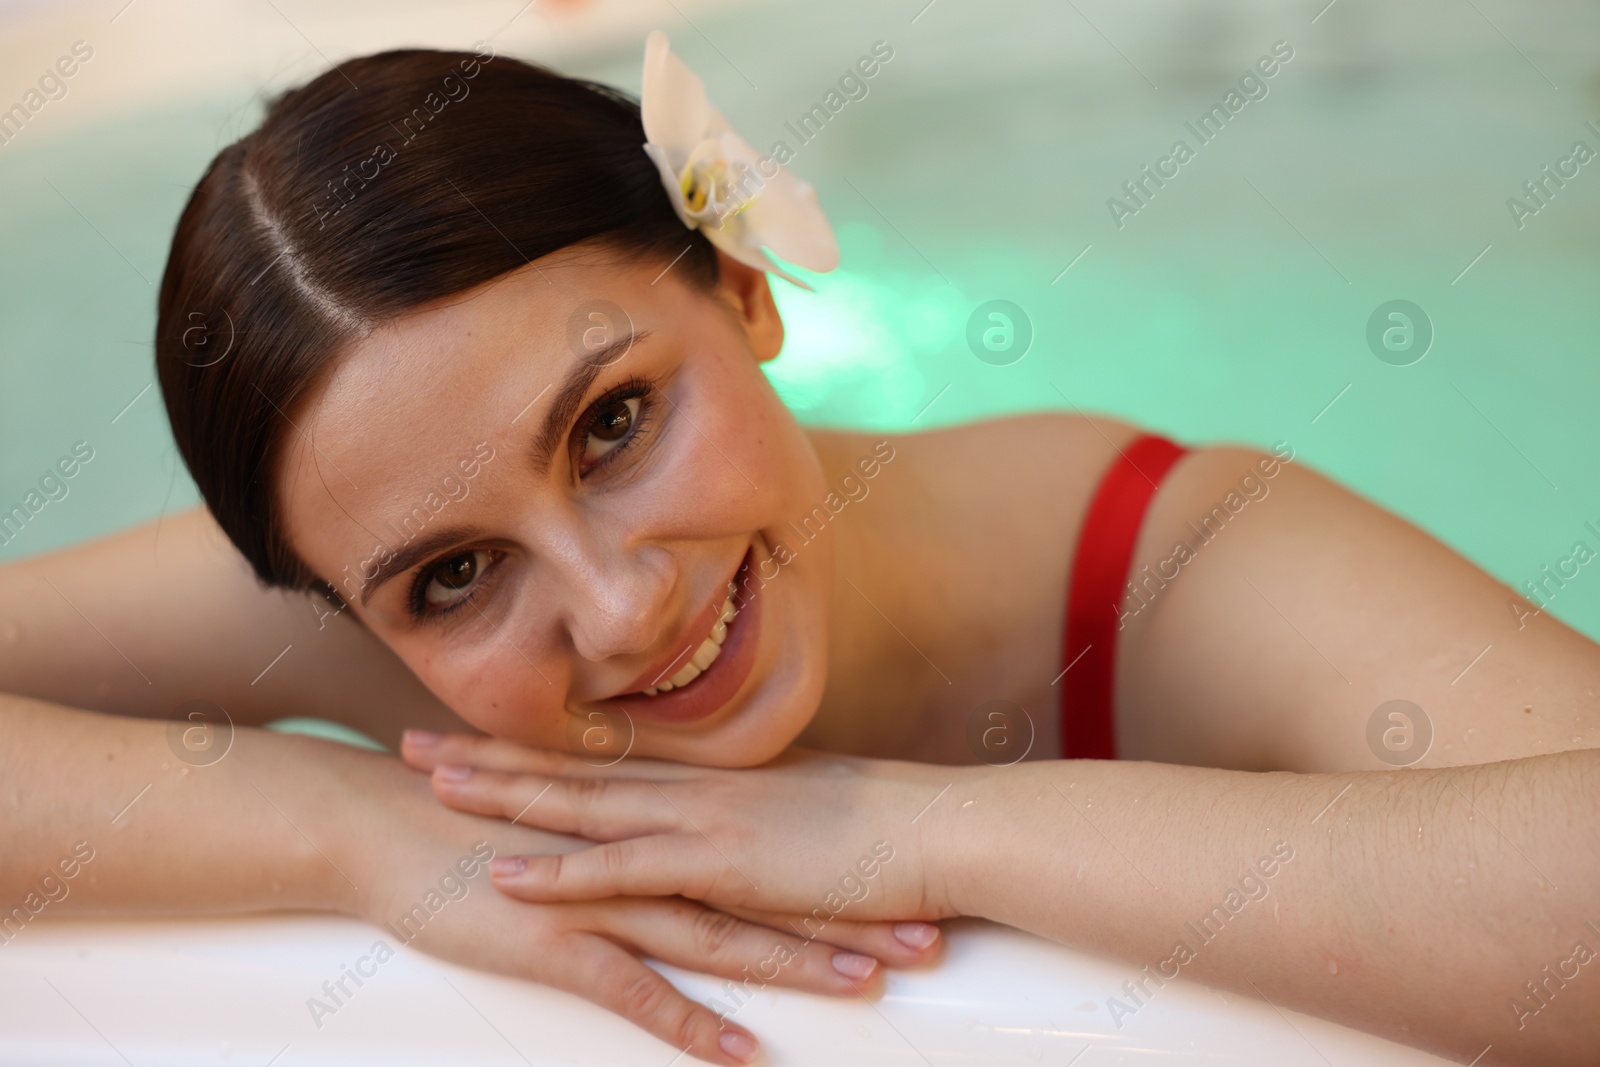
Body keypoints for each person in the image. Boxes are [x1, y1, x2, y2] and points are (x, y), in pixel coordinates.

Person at [1, 33, 1594, 1067]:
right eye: (453, 578)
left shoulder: (1184, 565)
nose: (620, 610)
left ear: (745, 290)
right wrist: (356, 833)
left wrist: (934, 833)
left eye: (615, 420)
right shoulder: (369, 588)